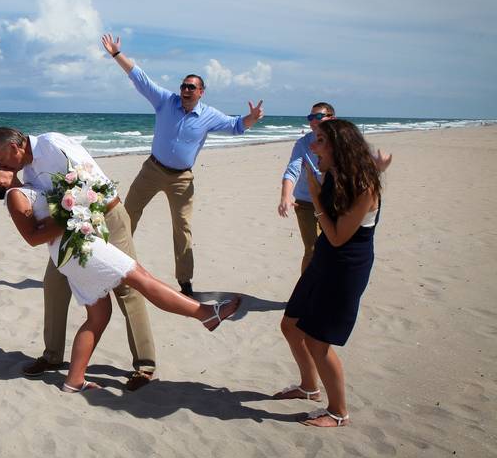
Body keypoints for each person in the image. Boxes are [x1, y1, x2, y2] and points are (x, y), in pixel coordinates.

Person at [0, 164, 241, 392]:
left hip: (76, 248)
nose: (2, 163)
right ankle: (205, 313)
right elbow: (33, 237)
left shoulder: (28, 184)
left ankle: (74, 380)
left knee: (99, 315)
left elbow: (48, 221)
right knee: (140, 278)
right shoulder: (15, 195)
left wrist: (72, 206)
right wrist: (72, 211)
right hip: (80, 250)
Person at [0, 127, 158, 391]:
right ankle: (52, 356)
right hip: (72, 232)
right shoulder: (29, 173)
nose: (0, 164)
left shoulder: (52, 144)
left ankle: (144, 365)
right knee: (53, 286)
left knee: (127, 288)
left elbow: (88, 181)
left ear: (14, 148)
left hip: (106, 217)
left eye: (0, 158)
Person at [101, 34, 264, 299]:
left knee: (182, 228)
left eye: (191, 87)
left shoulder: (209, 116)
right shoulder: (165, 101)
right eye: (184, 86)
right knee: (127, 214)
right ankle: (111, 266)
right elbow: (140, 78)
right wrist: (117, 55)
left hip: (181, 179)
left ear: (201, 92)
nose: (186, 90)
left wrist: (252, 118)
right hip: (152, 170)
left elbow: (236, 126)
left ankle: (185, 281)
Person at [272, 119, 383, 427]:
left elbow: (336, 236)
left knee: (318, 343)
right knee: (291, 326)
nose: (313, 145)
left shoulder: (364, 186)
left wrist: (317, 195)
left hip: (345, 268)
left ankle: (338, 412)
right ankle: (309, 388)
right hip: (324, 260)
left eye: (320, 140)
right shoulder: (339, 173)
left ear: (338, 147)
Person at [278, 103, 392, 275]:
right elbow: (292, 170)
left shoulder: (343, 143)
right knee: (312, 248)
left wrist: (377, 168)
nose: (313, 121)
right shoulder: (304, 143)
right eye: (310, 117)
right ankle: (307, 288)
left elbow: (357, 166)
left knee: (329, 247)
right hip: (307, 202)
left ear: (332, 118)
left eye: (318, 117)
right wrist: (286, 197)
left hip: (333, 200)